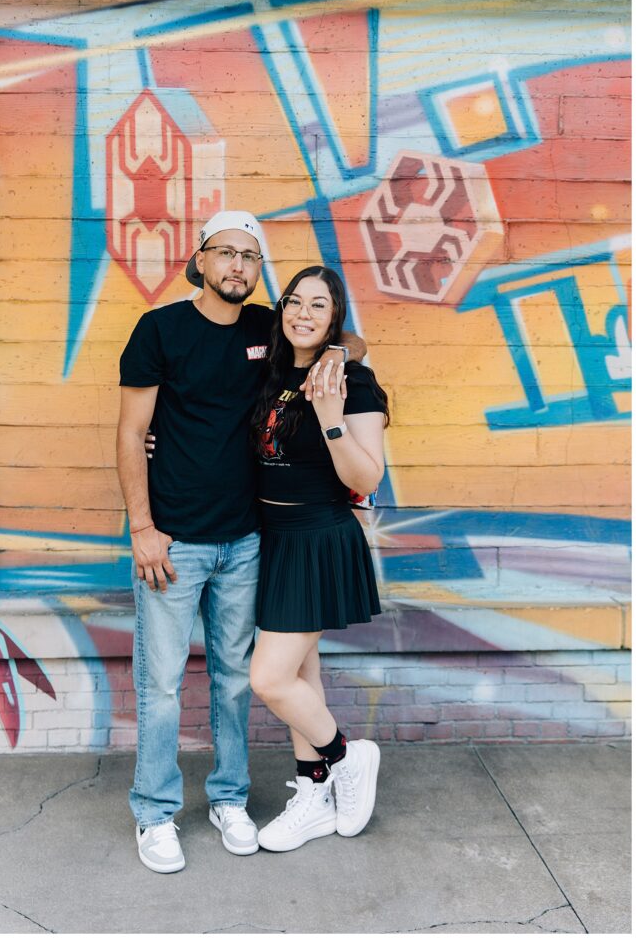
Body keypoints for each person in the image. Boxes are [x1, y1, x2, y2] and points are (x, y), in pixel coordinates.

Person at [117, 210, 364, 874]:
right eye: (226, 253)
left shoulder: (267, 327)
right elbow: (128, 432)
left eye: (251, 258)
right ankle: (155, 813)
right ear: (198, 260)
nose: (237, 267)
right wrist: (143, 528)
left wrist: (340, 353)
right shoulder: (159, 329)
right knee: (162, 684)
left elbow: (343, 340)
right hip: (173, 540)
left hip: (247, 541)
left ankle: (229, 800)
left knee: (234, 681)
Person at [248, 266, 389, 852]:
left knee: (270, 676)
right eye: (294, 301)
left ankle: (346, 756)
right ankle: (313, 794)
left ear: (335, 317)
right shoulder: (275, 371)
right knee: (302, 674)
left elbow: (367, 476)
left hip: (317, 536)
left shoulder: (352, 383)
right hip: (273, 536)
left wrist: (330, 419)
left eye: (319, 305)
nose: (303, 313)